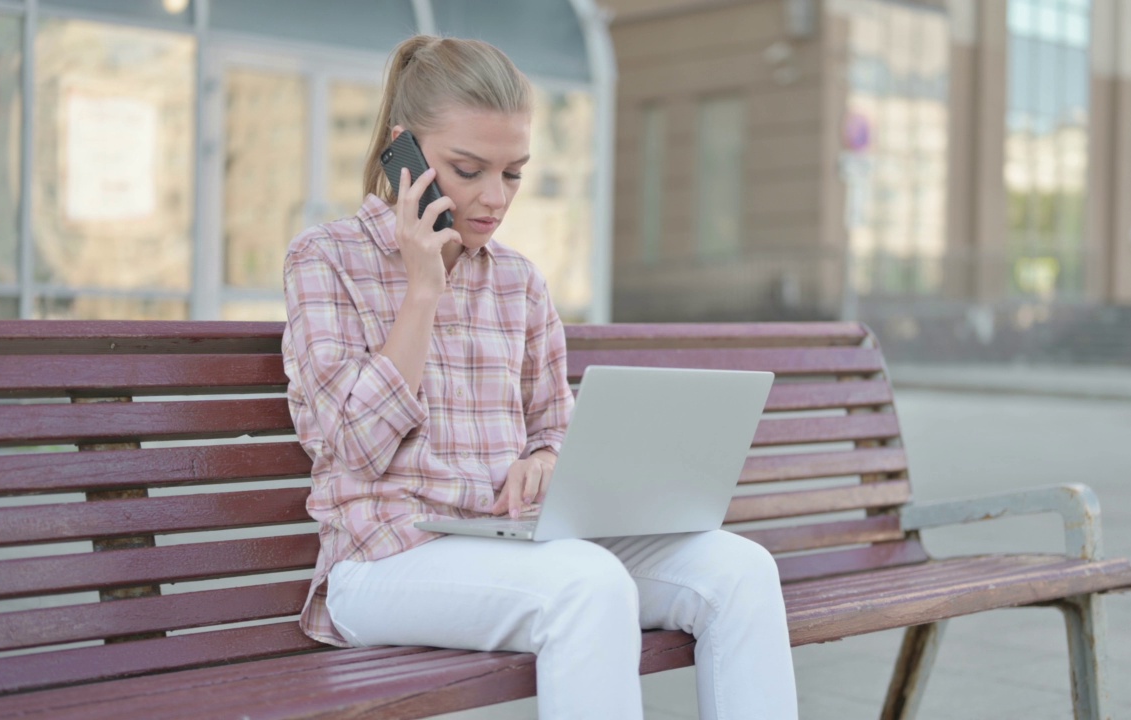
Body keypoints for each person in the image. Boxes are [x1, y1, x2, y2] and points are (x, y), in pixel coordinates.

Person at [281, 34, 798, 720]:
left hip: (515, 547)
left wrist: (546, 460)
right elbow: (356, 446)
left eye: (514, 172)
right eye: (468, 170)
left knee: (740, 570)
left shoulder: (519, 282)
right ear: (404, 153)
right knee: (585, 585)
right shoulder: (324, 259)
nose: (495, 198)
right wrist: (422, 292)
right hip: (382, 562)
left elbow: (552, 423)